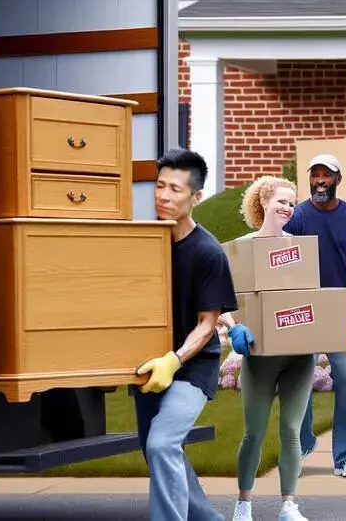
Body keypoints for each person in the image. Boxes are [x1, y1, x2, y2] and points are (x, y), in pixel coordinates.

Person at [132, 148, 237, 521]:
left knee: (162, 444)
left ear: (196, 197)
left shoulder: (208, 253)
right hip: (148, 362)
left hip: (191, 365)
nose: (163, 196)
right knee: (157, 450)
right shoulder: (144, 241)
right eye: (159, 185)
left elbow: (208, 324)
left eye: (175, 189)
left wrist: (173, 360)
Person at [221, 175, 313, 521]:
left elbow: (312, 295)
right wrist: (234, 327)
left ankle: (289, 504)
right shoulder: (240, 248)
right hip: (258, 354)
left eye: (292, 203)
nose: (287, 208)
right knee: (254, 431)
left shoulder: (299, 249)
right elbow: (220, 299)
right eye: (281, 202)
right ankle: (244, 503)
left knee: (291, 430)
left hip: (298, 355)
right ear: (263, 202)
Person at [282, 153, 346, 478]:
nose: (320, 180)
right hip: (304, 314)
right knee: (299, 384)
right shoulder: (296, 218)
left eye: (326, 175)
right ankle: (300, 447)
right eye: (315, 175)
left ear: (338, 179)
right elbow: (277, 262)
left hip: (342, 316)